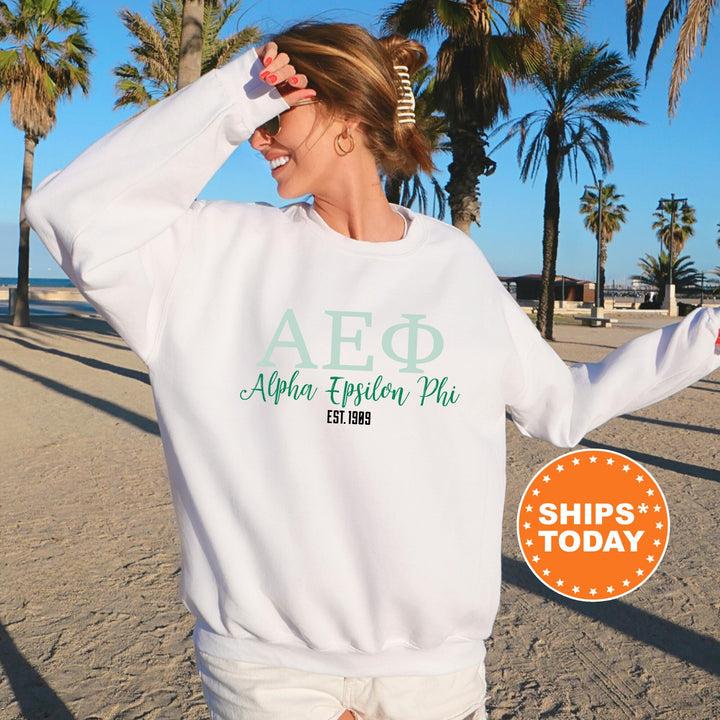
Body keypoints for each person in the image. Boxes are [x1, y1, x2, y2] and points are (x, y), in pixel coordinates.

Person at [24, 21, 720, 720]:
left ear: (347, 112)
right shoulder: (210, 254)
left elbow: (561, 406)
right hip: (267, 672)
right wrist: (239, 92)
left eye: (276, 115)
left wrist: (709, 333)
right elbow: (67, 210)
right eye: (258, 117)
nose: (260, 139)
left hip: (433, 676)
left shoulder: (453, 265)